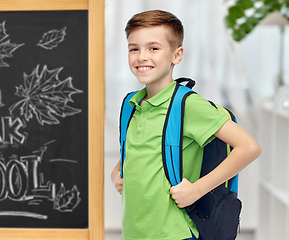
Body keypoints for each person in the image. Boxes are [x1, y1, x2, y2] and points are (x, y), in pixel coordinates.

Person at [110, 10, 262, 240]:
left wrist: (196, 190)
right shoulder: (131, 104)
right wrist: (116, 173)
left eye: (153, 48)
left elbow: (249, 147)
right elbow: (139, 150)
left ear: (176, 55)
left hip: (175, 233)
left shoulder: (187, 105)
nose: (141, 56)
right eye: (134, 48)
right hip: (134, 232)